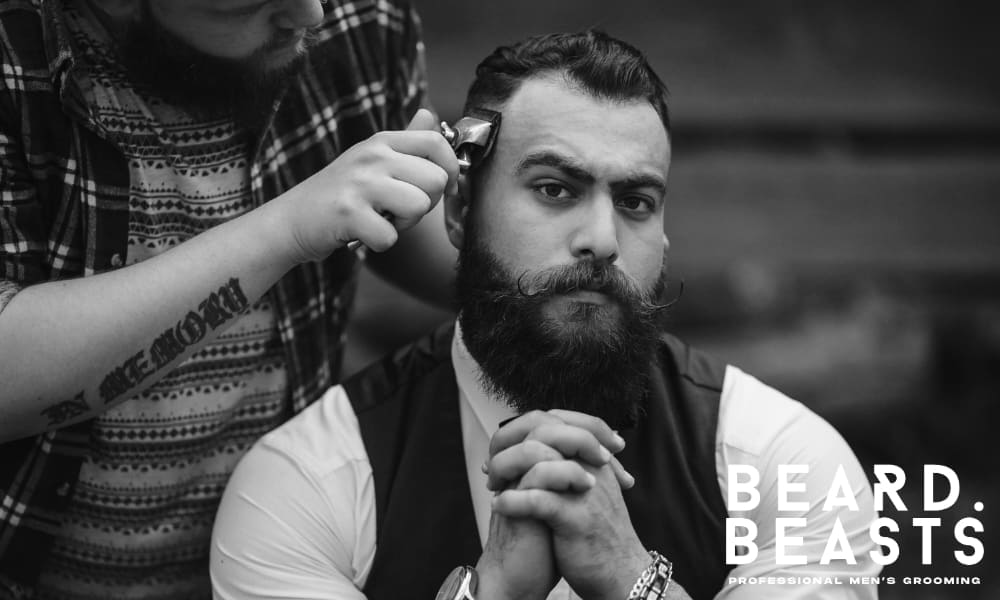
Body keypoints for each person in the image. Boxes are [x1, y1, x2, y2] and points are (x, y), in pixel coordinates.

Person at [210, 30, 882, 600]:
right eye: (555, 189)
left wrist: (634, 582)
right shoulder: (304, 485)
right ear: (459, 210)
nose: (603, 238)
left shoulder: (785, 466)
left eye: (637, 201)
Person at [0, 0, 460, 597]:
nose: (312, 16)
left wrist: (567, 242)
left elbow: (395, 222)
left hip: (287, 564)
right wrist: (284, 230)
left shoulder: (362, 16)